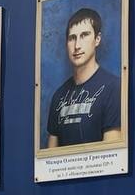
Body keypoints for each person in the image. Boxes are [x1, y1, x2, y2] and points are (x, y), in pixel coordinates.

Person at [45, 8, 122, 148]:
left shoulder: (114, 88)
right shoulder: (58, 96)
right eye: (72, 38)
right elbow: (49, 157)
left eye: (84, 35)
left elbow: (112, 154)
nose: (77, 46)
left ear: (97, 39)